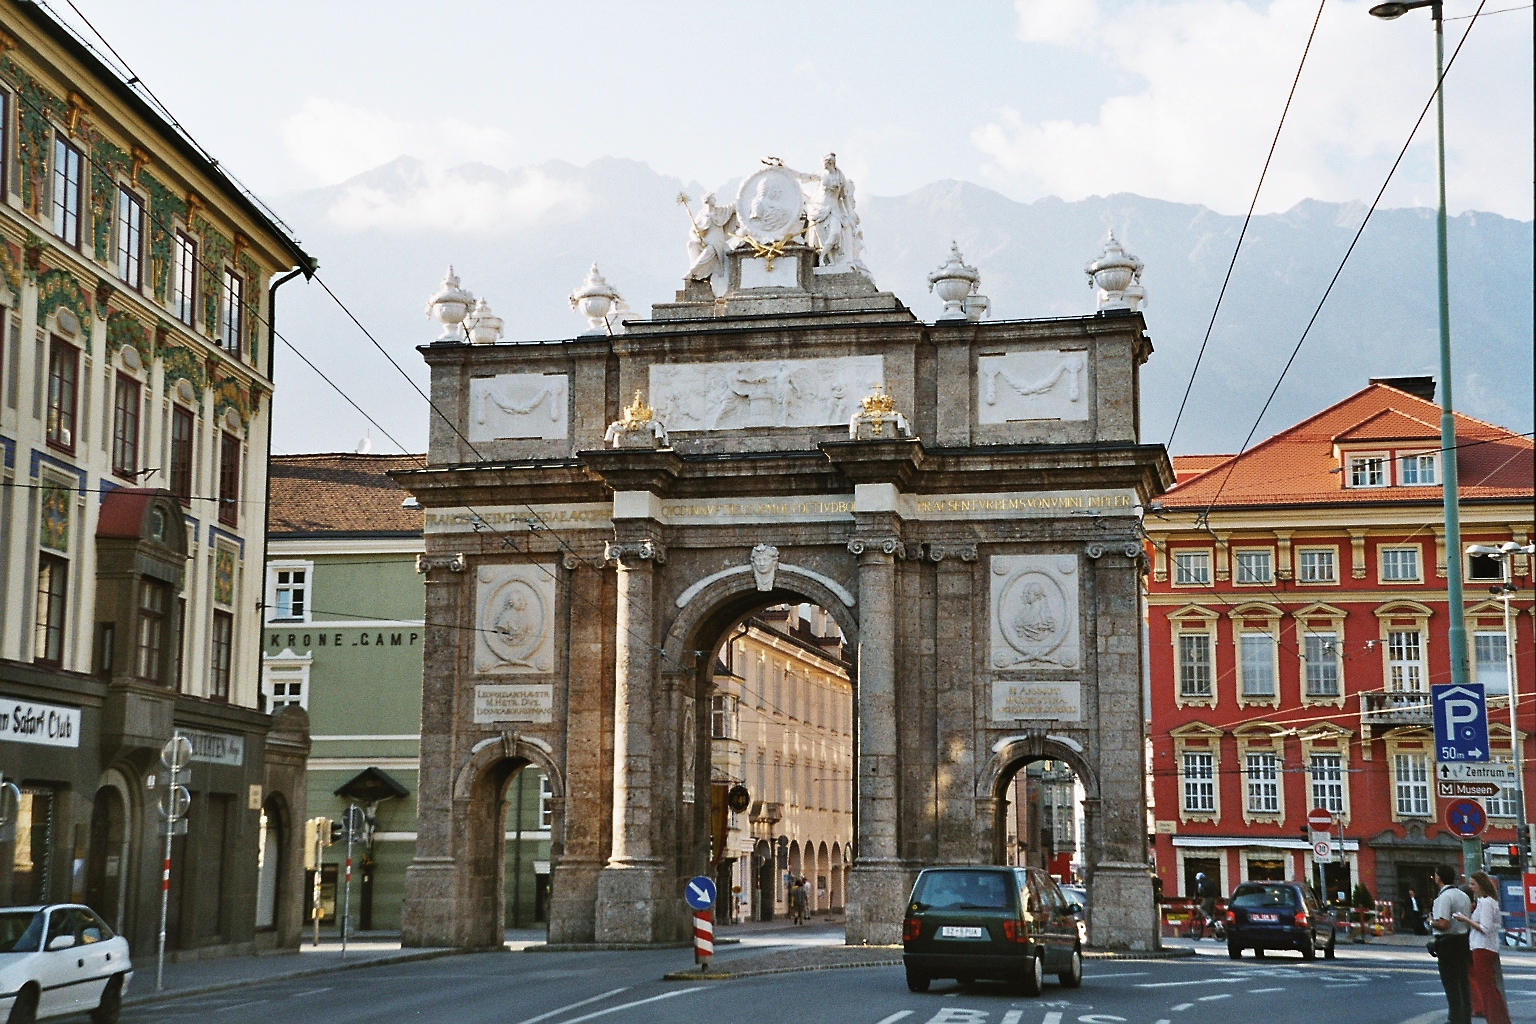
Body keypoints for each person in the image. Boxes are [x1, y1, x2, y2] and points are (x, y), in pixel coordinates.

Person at [1454, 871, 1511, 1024]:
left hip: (1482, 947)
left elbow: (1484, 928)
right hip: (1485, 947)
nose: (1471, 887)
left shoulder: (1485, 902)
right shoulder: (1489, 902)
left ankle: (1495, 1019)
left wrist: (1465, 919)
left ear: (1481, 885)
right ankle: (1499, 1019)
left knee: (1486, 987)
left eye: (1473, 884)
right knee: (1489, 986)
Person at [1430, 863, 1473, 1024]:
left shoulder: (1444, 897)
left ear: (1439, 877)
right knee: (1463, 983)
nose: (1434, 877)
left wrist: (1430, 921)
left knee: (1451, 985)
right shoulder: (1463, 896)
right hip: (1463, 941)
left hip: (1448, 944)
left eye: (1435, 875)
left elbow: (1443, 924)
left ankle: (1454, 1018)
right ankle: (1465, 1018)